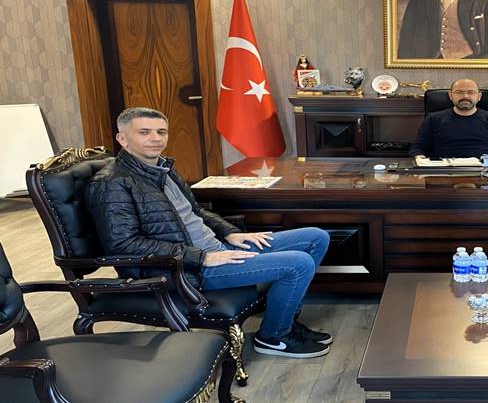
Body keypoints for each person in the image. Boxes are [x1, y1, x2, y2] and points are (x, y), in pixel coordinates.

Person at [86, 107, 333, 359]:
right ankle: (273, 336)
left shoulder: (163, 168)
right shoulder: (111, 183)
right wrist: (201, 257)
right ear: (123, 138)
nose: (156, 138)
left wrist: (229, 232)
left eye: (161, 132)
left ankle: (285, 320)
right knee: (298, 263)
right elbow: (124, 244)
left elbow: (196, 212)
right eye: (144, 132)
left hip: (216, 249)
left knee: (315, 237)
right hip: (184, 269)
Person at [410, 78, 488, 159]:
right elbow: (417, 147)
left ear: (479, 96)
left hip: (483, 171)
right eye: (459, 92)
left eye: (471, 92)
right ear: (450, 95)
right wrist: (419, 156)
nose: (465, 96)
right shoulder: (433, 119)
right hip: (443, 171)